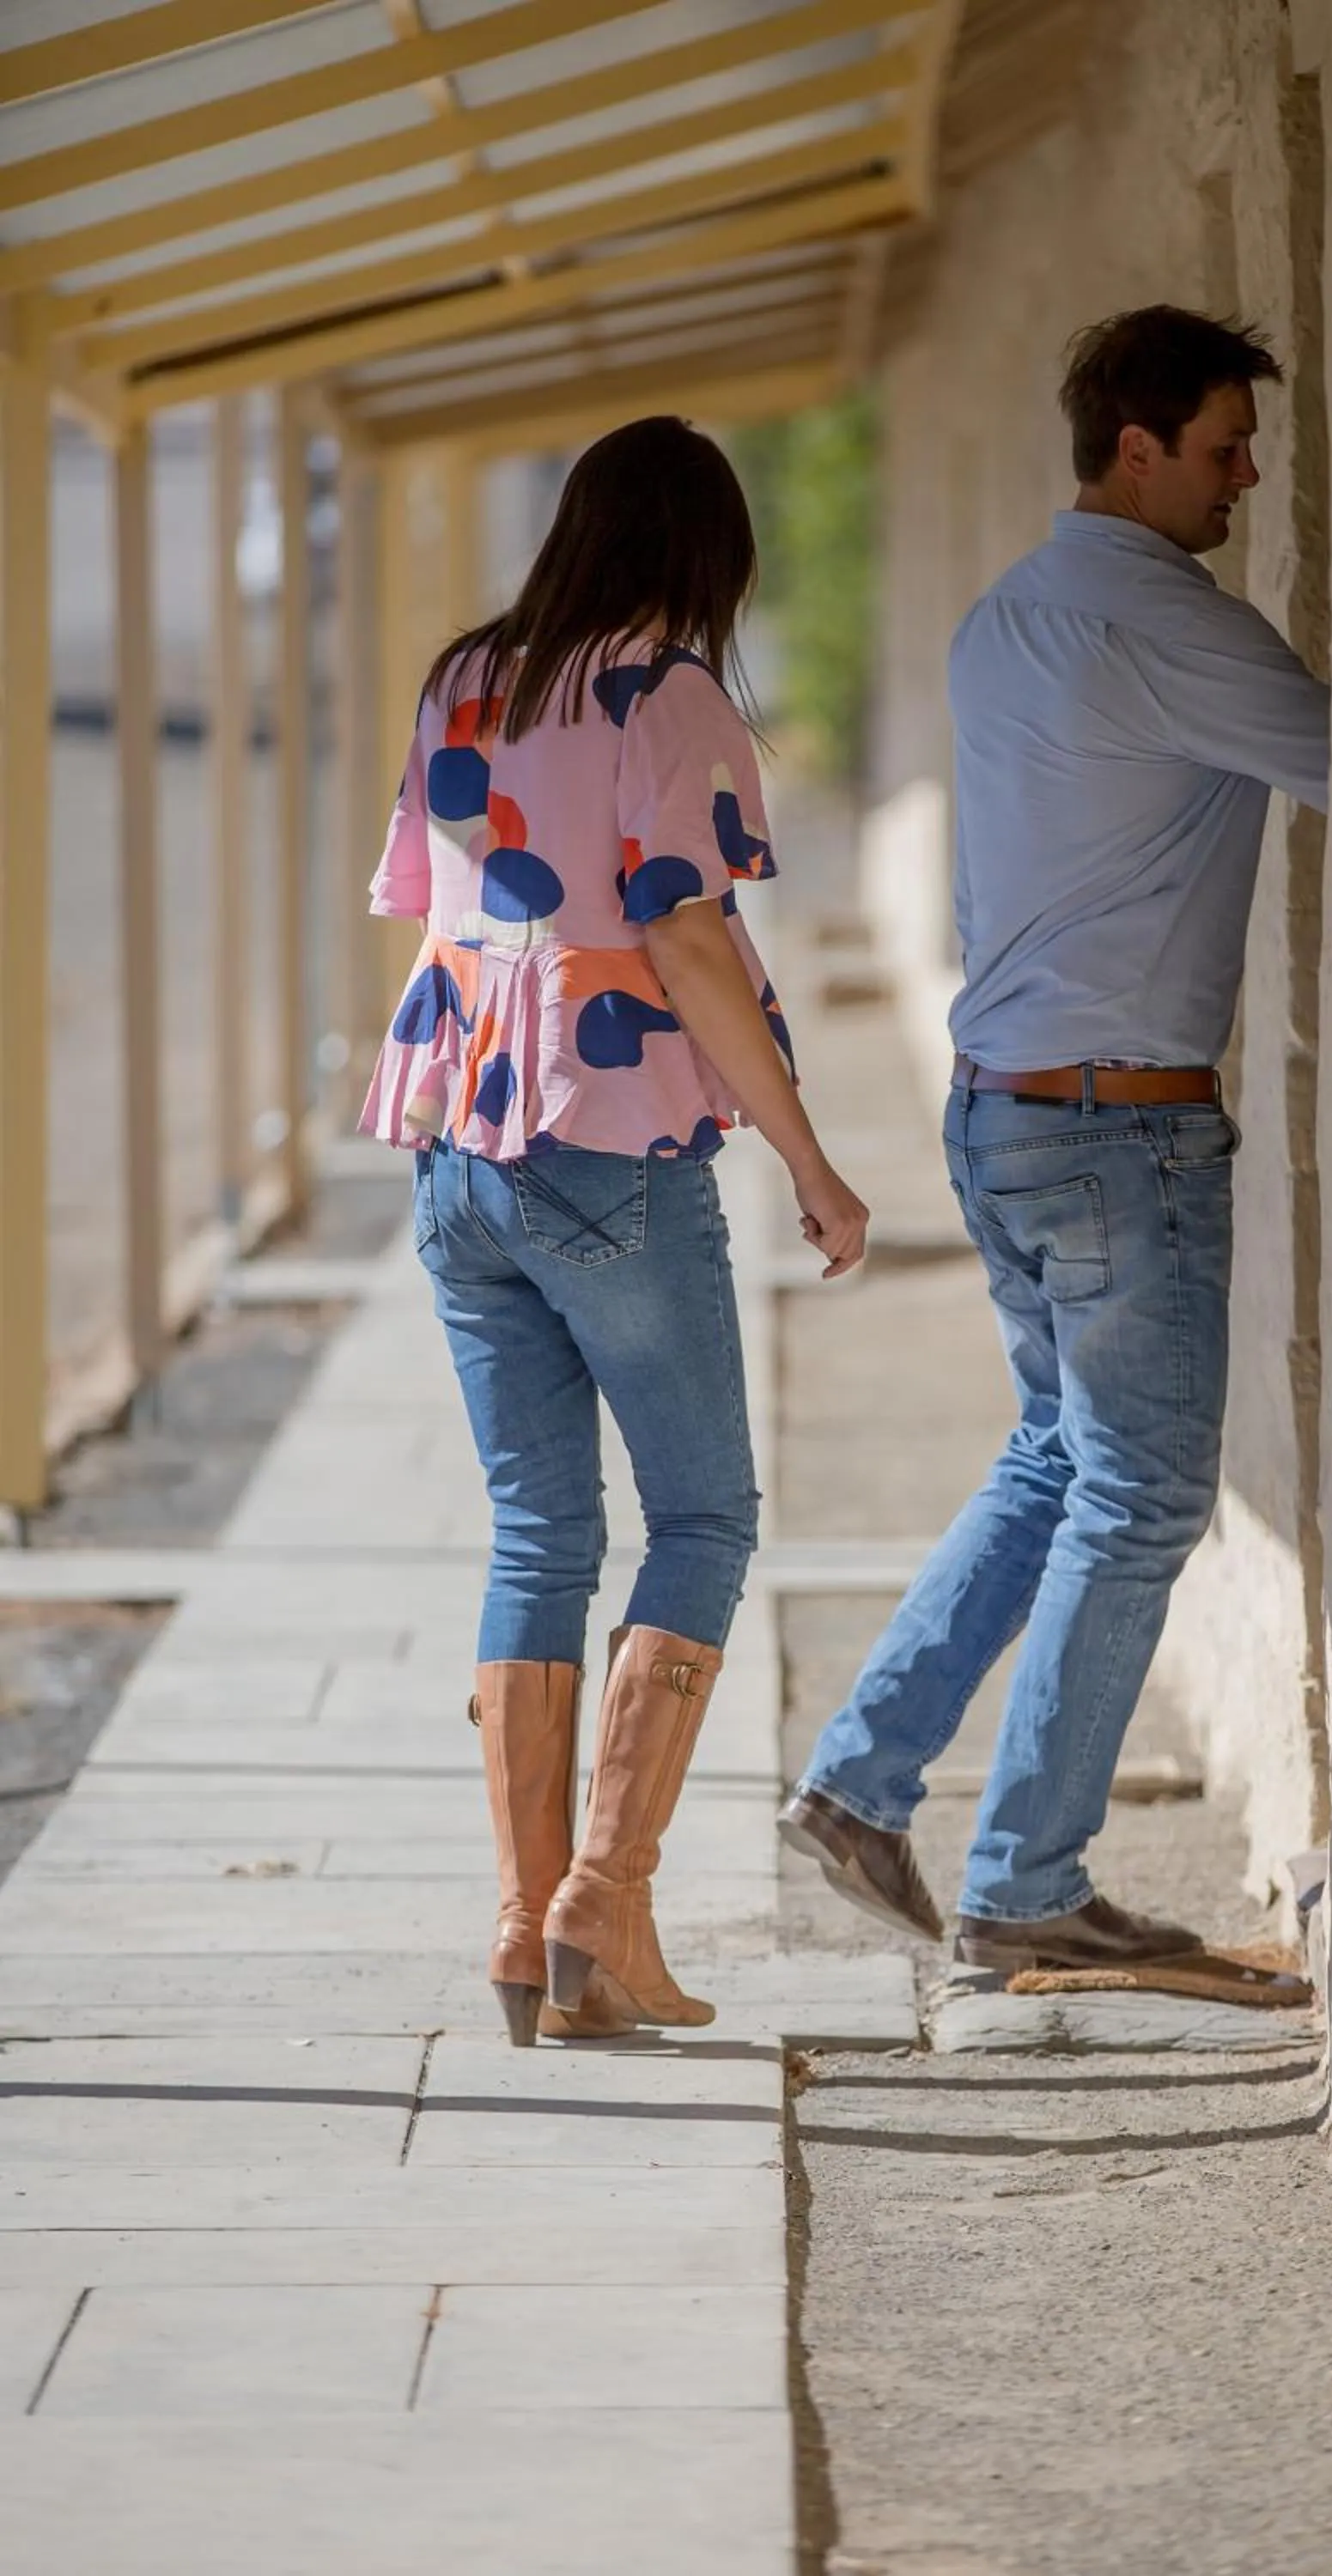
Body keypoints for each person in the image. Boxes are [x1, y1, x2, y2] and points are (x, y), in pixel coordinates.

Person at [781, 307, 1331, 1971]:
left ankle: (861, 1781)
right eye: (1225, 447)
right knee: (1141, 1496)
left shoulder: (1001, 614)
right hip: (1116, 1136)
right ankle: (1025, 1886)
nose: (1249, 479)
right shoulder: (1178, 629)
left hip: (1003, 1113)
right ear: (1135, 450)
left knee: (1056, 1457)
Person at [362, 416, 867, 2045]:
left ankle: (531, 1931)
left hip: (458, 1149)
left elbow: (438, 902)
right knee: (704, 1516)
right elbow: (687, 942)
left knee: (539, 1533)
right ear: (703, 553)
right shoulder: (670, 695)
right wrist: (811, 1159)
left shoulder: (466, 679)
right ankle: (605, 1901)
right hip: (606, 1143)